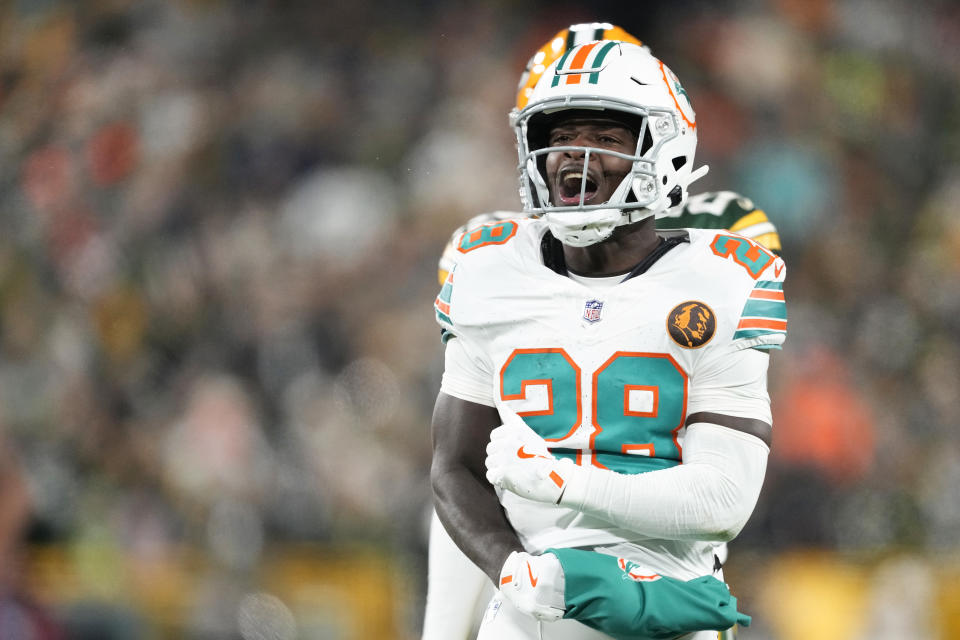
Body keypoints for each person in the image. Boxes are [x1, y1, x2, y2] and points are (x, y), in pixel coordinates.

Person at [425, 23, 781, 640]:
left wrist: (566, 483)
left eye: (605, 136)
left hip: (663, 596)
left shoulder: (729, 269)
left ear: (665, 147)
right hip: (526, 602)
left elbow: (723, 499)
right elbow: (454, 468)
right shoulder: (485, 268)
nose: (575, 155)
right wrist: (512, 572)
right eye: (560, 136)